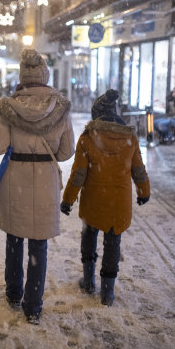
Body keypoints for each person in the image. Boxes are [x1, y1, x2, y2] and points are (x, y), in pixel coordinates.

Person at [0, 49, 75, 325]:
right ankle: (33, 306)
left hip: (16, 181)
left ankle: (14, 293)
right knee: (38, 245)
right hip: (46, 183)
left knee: (15, 239)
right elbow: (66, 152)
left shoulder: (10, 107)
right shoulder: (60, 107)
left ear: (23, 77)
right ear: (45, 75)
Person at [60, 89, 150, 306]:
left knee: (89, 234)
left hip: (93, 200)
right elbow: (138, 170)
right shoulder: (130, 139)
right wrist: (144, 192)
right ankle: (107, 293)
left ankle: (89, 281)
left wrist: (68, 199)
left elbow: (78, 175)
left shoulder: (88, 138)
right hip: (118, 204)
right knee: (113, 242)